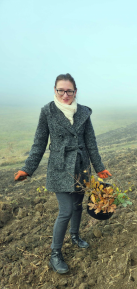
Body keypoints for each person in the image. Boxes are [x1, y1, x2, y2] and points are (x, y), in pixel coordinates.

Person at [14, 73, 111, 273]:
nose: (65, 95)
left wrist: (99, 167)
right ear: (55, 90)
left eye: (69, 91)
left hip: (81, 166)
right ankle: (55, 253)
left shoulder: (83, 112)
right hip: (59, 168)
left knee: (77, 207)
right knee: (65, 210)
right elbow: (39, 142)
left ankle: (75, 236)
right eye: (61, 90)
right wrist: (28, 168)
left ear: (75, 92)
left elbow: (91, 142)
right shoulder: (48, 111)